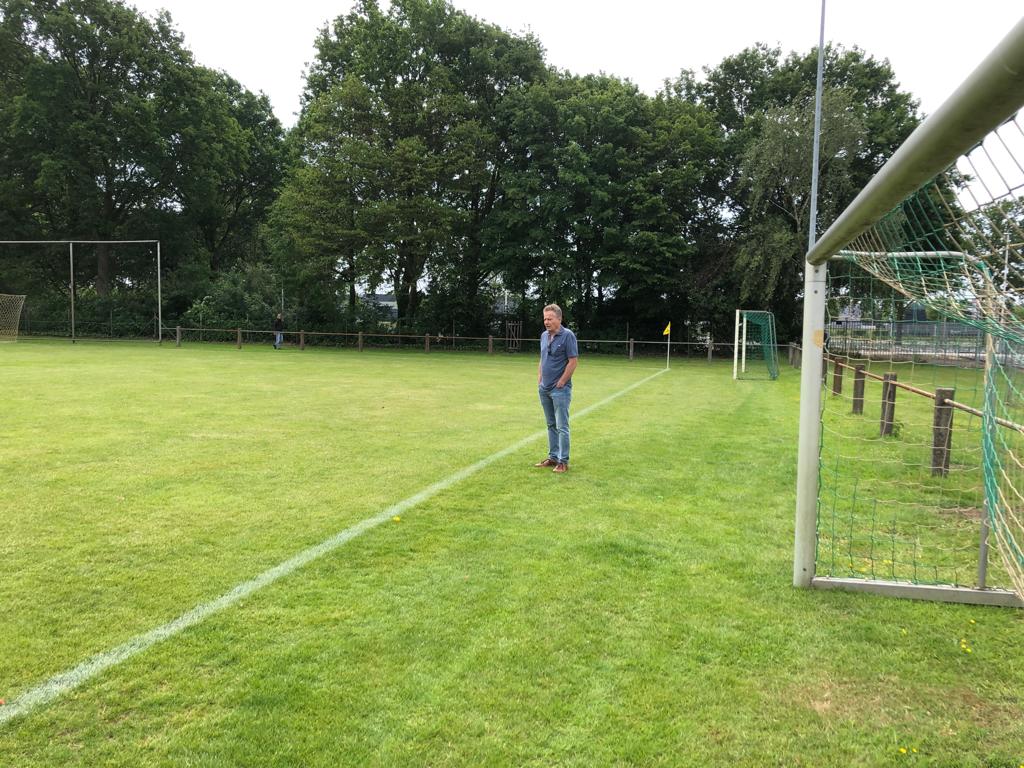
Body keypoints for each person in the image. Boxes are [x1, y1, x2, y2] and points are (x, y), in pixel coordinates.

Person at [534, 303, 578, 474]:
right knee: (551, 424)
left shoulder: (568, 336)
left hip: (560, 390)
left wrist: (562, 381)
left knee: (562, 426)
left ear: (559, 319)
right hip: (544, 388)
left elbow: (573, 361)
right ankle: (553, 457)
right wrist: (539, 377)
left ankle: (563, 461)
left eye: (550, 319)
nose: (546, 322)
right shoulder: (544, 336)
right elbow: (542, 358)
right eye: (545, 319)